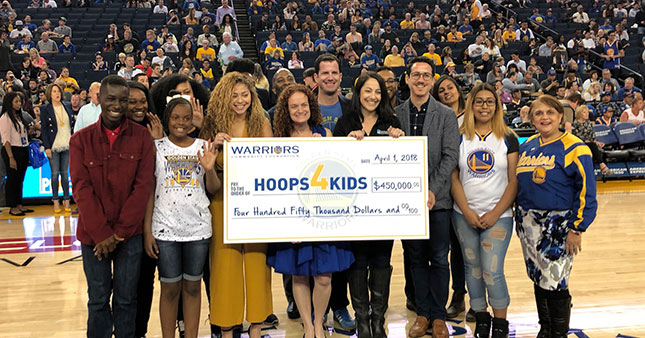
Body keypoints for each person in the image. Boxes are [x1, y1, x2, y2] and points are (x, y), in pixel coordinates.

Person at [70, 75, 155, 338]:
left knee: (126, 301)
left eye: (123, 100)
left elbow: (142, 188)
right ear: (99, 100)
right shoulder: (80, 140)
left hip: (128, 237)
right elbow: (81, 189)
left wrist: (119, 232)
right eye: (111, 99)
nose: (117, 105)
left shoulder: (142, 137)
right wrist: (102, 234)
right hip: (93, 237)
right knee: (97, 300)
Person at [267, 83, 354, 338]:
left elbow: (339, 171)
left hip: (323, 216)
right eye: (294, 106)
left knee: (324, 278)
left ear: (311, 106)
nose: (300, 110)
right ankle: (309, 326)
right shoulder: (278, 140)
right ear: (286, 109)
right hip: (294, 217)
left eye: (304, 104)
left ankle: (319, 320)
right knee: (300, 276)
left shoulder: (325, 133)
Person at [516, 95, 597, 337]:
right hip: (527, 222)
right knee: (538, 276)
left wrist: (577, 229)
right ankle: (546, 328)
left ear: (560, 116)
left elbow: (587, 192)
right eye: (538, 113)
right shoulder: (527, 145)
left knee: (556, 280)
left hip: (558, 225)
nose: (544, 117)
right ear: (531, 118)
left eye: (550, 113)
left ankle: (559, 332)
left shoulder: (575, 147)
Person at [199, 72, 273, 338]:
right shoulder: (211, 127)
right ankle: (227, 329)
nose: (241, 101)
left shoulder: (262, 123)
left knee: (256, 264)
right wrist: (215, 147)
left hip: (254, 206)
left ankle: (256, 328)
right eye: (234, 96)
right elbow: (208, 178)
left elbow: (273, 166)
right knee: (223, 268)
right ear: (223, 97)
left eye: (245, 95)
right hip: (221, 204)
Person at [333, 72, 404, 338]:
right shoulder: (345, 123)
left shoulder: (391, 122)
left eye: (377, 91)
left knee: (382, 261)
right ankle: (362, 321)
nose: (373, 96)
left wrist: (399, 138)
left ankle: (378, 321)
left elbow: (401, 163)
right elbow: (334, 163)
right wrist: (346, 143)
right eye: (368, 91)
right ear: (358, 93)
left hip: (383, 210)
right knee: (358, 262)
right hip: (353, 211)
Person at [143, 96, 220, 338]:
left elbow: (214, 189)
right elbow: (150, 193)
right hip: (165, 229)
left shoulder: (202, 146)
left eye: (186, 118)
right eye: (176, 117)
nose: (181, 123)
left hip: (198, 229)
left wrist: (209, 170)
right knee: (169, 289)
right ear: (168, 119)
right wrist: (147, 231)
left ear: (192, 122)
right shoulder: (156, 147)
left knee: (193, 288)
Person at [395, 56, 459, 338]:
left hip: (438, 202)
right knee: (416, 259)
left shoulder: (445, 115)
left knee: (440, 259)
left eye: (426, 76)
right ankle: (422, 313)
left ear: (432, 80)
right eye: (416, 75)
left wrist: (431, 190)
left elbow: (450, 157)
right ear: (408, 79)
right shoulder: (395, 114)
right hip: (407, 204)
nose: (420, 80)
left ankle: (438, 316)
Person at [450, 83, 518, 337]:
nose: (484, 106)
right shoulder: (459, 136)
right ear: (471, 105)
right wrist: (467, 211)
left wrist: (494, 213)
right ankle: (481, 318)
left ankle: (500, 324)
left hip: (499, 215)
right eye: (479, 101)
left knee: (492, 269)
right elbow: (453, 177)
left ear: (497, 106)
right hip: (464, 214)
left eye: (490, 101)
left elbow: (514, 180)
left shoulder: (508, 137)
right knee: (473, 267)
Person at [41, 83, 74, 214]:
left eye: (58, 91)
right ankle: (55, 200)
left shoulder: (67, 106)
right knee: (55, 174)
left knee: (65, 174)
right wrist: (47, 147)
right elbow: (44, 129)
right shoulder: (45, 109)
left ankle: (66, 200)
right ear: (50, 94)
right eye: (54, 91)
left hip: (66, 142)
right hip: (53, 144)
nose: (57, 94)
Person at [0, 92, 31, 216]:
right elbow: (5, 139)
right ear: (9, 103)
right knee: (12, 179)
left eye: (20, 101)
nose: (19, 104)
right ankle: (12, 206)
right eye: (16, 101)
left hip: (23, 148)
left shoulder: (19, 116)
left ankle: (19, 204)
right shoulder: (5, 118)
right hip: (12, 150)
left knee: (20, 179)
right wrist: (11, 157)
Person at [572, 105, 611, 175]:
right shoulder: (575, 124)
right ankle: (602, 165)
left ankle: (590, 174)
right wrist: (585, 141)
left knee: (593, 149)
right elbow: (576, 137)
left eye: (587, 112)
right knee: (592, 146)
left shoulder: (588, 123)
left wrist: (597, 142)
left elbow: (592, 135)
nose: (587, 114)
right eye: (584, 112)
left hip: (590, 144)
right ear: (579, 114)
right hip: (579, 145)